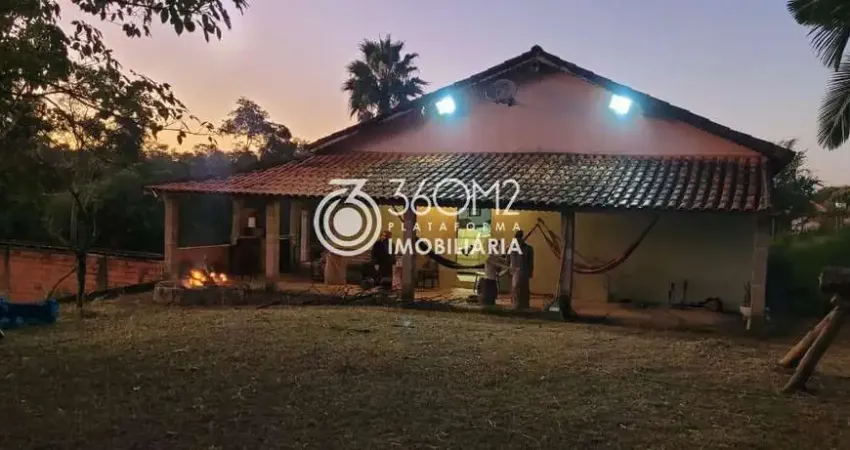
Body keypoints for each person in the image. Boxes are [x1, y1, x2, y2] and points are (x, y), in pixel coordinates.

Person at [508, 229, 534, 309]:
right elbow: (530, 262)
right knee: (519, 289)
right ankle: (518, 304)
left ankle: (518, 304)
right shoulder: (527, 248)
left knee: (518, 289)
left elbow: (508, 260)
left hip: (520, 272)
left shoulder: (526, 248)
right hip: (519, 272)